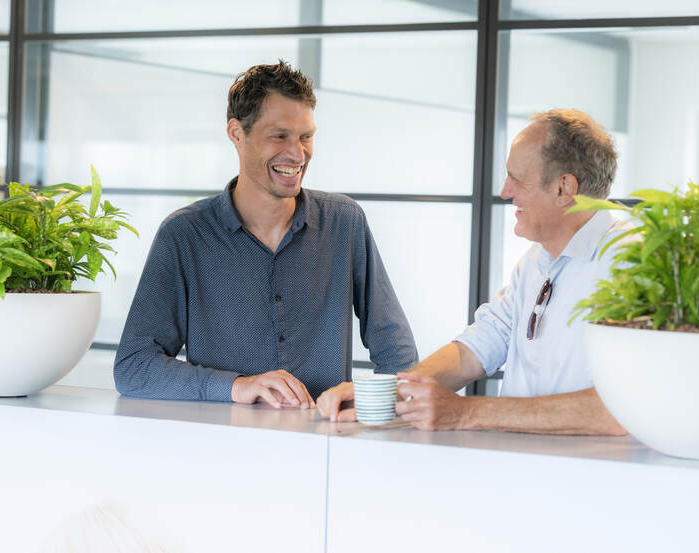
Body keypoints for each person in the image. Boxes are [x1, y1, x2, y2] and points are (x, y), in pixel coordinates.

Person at [114, 60, 417, 407]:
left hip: (324, 450)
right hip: (221, 447)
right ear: (236, 133)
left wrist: (369, 410)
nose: (297, 153)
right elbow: (133, 367)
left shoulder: (345, 224)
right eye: (279, 136)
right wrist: (237, 386)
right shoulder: (184, 235)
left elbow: (401, 358)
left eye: (306, 137)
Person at [318, 109, 629, 434]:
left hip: (591, 474)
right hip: (523, 465)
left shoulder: (631, 262)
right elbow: (478, 347)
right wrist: (388, 395)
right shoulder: (534, 261)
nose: (505, 191)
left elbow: (621, 406)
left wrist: (465, 412)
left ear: (564, 189)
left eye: (517, 180)